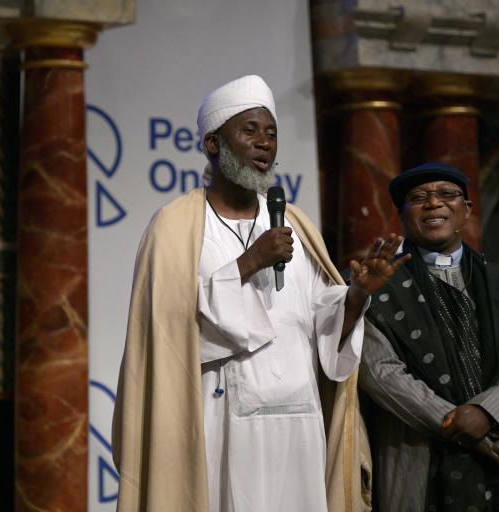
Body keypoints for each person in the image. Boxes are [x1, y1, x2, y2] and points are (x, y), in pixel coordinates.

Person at [112, 75, 408, 512]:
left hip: (299, 424)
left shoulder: (295, 223)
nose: (264, 144)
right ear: (213, 144)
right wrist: (249, 262)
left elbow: (322, 328)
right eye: (249, 131)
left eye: (270, 133)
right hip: (222, 427)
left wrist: (357, 295)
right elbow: (170, 335)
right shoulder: (174, 226)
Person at [358, 162, 499, 512]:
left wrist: (485, 414)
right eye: (418, 197)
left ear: (466, 212)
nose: (434, 203)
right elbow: (378, 371)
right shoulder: (375, 284)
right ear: (402, 216)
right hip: (417, 453)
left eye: (447, 194)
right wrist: (457, 423)